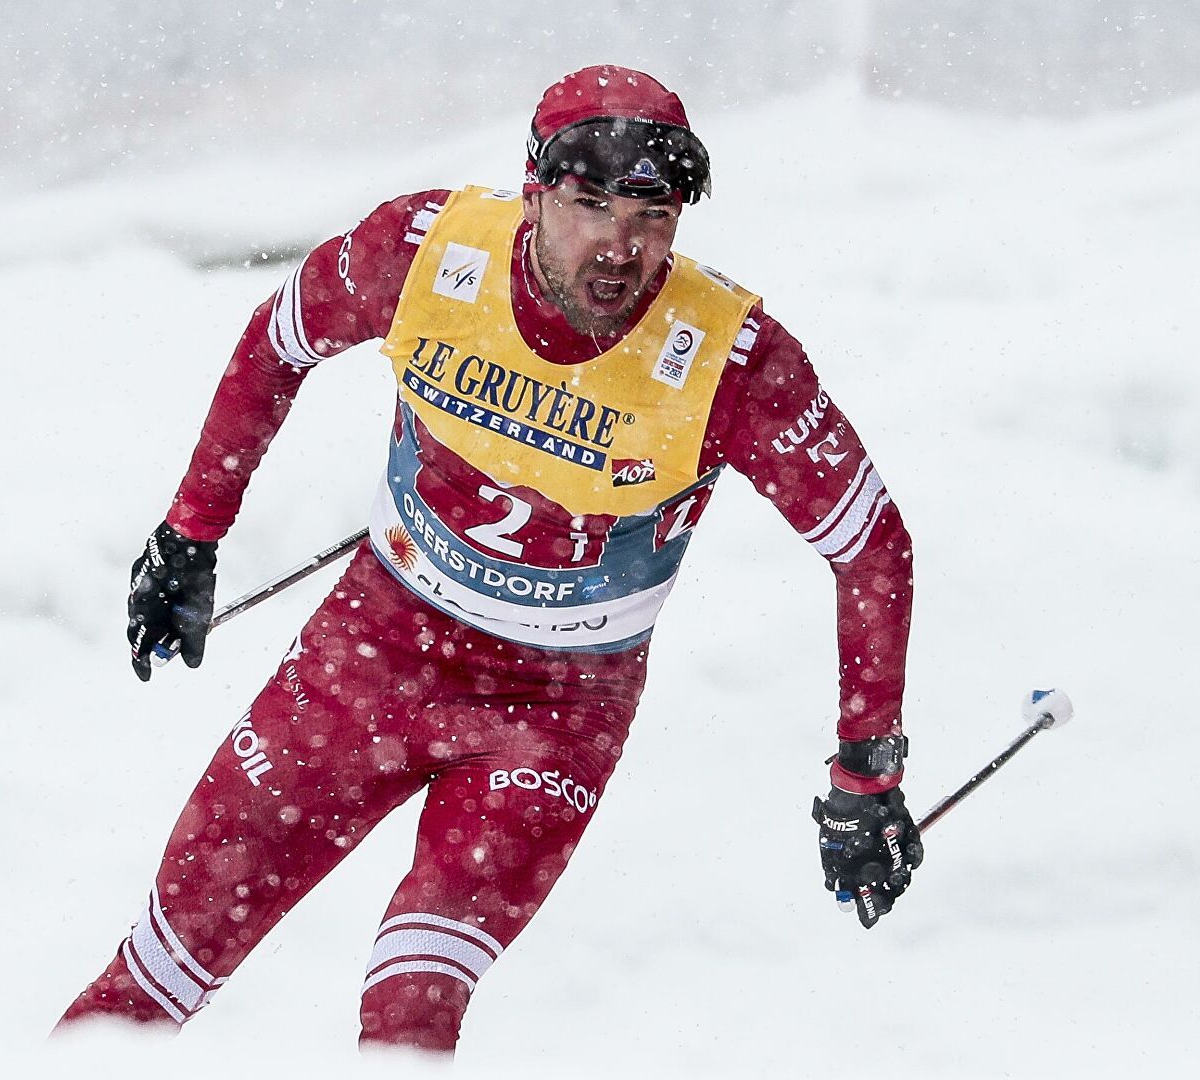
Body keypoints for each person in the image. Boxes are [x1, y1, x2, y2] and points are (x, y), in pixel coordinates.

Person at [56, 64, 923, 1054]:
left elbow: (871, 547)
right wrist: (191, 533)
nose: (618, 245)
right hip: (369, 658)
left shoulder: (733, 359)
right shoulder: (424, 254)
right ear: (533, 189)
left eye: (652, 215)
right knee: (159, 969)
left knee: (411, 1012)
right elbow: (277, 340)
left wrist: (868, 775)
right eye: (589, 204)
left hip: (551, 717)